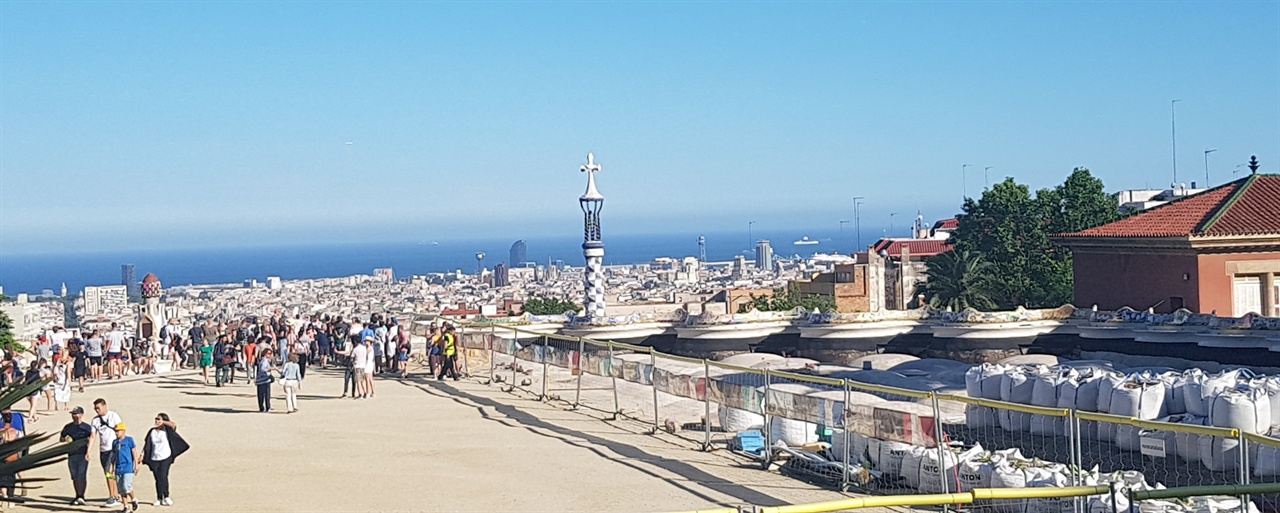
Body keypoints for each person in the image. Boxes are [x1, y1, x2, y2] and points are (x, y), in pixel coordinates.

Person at [142, 413, 188, 507]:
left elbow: (173, 425)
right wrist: (142, 454)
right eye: (156, 419)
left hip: (165, 457)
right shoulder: (152, 431)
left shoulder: (167, 430)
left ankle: (166, 496)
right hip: (154, 457)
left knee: (163, 476)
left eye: (158, 419)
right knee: (157, 478)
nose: (157, 421)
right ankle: (159, 498)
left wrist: (163, 422)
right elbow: (147, 444)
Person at [90, 398, 124, 508]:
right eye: (95, 408)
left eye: (98, 408)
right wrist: (88, 451)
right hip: (103, 450)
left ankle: (112, 496)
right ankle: (115, 495)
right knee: (109, 473)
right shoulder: (95, 420)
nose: (97, 410)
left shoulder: (114, 416)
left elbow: (121, 430)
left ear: (105, 406)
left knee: (109, 471)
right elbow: (93, 436)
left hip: (113, 448)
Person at [60, 406, 93, 506]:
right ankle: (77, 495)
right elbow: (61, 438)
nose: (75, 416)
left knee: (82, 475)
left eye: (77, 414)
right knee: (74, 476)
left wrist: (88, 451)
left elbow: (92, 438)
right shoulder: (68, 427)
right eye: (74, 414)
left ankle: (81, 496)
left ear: (82, 414)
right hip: (72, 454)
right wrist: (66, 438)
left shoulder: (87, 427)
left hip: (83, 453)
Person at [111, 422, 139, 512]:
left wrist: (136, 464)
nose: (116, 433)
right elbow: (114, 455)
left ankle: (134, 499)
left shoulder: (129, 440)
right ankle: (126, 506)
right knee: (121, 489)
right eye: (115, 431)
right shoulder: (115, 442)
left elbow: (134, 452)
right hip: (118, 468)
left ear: (123, 431)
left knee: (127, 486)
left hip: (128, 467)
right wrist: (112, 466)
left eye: (118, 431)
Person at [0, 413, 19, 504]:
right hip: (13, 456)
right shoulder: (16, 431)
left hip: (3, 455)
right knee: (11, 476)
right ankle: (11, 495)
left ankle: (5, 495)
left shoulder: (1, 432)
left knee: (2, 476)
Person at [254, 348, 277, 413]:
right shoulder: (264, 361)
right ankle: (267, 407)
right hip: (265, 379)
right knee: (266, 394)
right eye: (268, 353)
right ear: (265, 353)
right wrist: (271, 368)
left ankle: (261, 408)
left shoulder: (261, 360)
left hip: (260, 379)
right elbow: (262, 369)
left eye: (270, 353)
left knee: (260, 395)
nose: (270, 355)